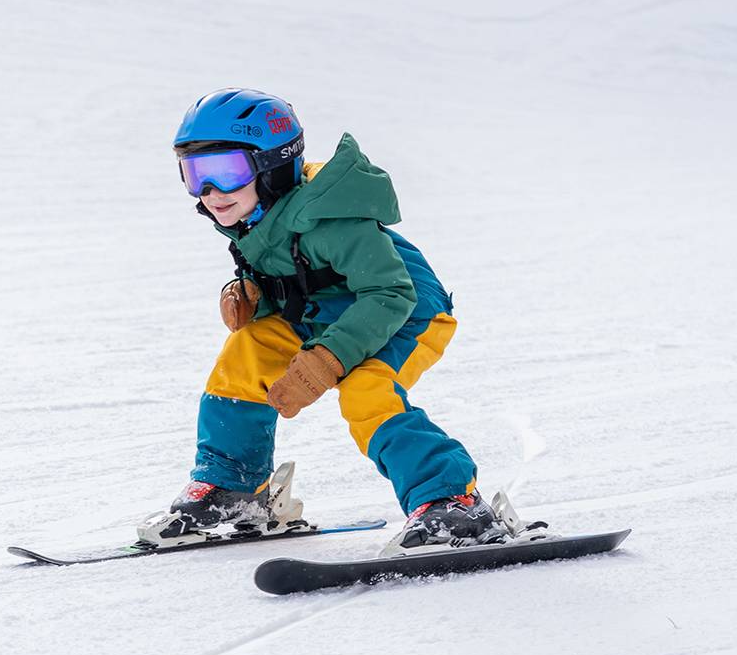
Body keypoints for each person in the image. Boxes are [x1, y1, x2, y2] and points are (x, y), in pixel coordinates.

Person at [162, 88, 507, 552]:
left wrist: (327, 359)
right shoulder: (254, 214)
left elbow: (389, 292)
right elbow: (300, 274)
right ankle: (233, 488)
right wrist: (255, 298)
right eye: (194, 174)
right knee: (244, 357)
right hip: (320, 312)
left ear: (273, 166)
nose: (210, 193)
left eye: (226, 172)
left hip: (404, 313)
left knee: (368, 390)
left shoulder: (332, 219)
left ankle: (451, 501)